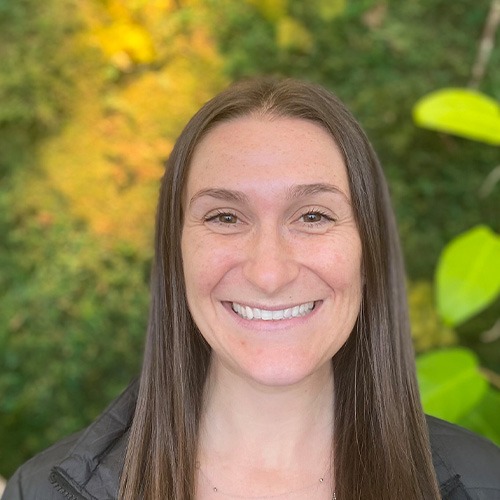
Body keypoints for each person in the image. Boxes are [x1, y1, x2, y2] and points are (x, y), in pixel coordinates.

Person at [3, 78, 500, 500]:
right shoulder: (42, 492)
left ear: (368, 251)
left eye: (312, 216)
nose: (269, 272)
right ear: (176, 256)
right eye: (224, 216)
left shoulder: (484, 485)